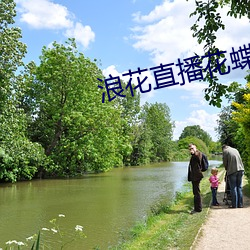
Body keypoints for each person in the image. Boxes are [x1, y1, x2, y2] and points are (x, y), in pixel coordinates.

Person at [188, 143, 204, 214]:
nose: (191, 150)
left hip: (196, 176)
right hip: (195, 176)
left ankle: (198, 209)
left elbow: (198, 158)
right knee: (196, 192)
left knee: (196, 192)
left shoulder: (198, 154)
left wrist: (194, 152)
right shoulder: (194, 155)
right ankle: (197, 208)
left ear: (195, 148)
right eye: (190, 149)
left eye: (192, 148)